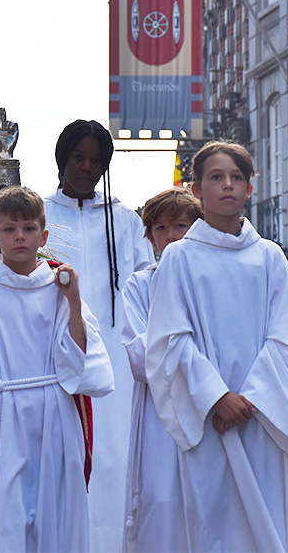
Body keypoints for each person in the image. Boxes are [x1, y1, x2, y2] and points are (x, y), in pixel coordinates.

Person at [145, 140, 288, 552]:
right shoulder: (179, 258)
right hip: (209, 417)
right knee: (214, 525)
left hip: (261, 418)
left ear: (249, 188)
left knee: (266, 523)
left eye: (237, 177)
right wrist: (217, 397)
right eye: (216, 177)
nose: (227, 185)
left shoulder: (269, 257)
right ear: (196, 189)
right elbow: (169, 338)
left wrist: (251, 399)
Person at [0, 185, 114, 551]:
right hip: (4, 419)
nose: (20, 237)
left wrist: (74, 302)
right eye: (10, 229)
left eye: (29, 228)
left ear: (43, 236)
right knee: (7, 515)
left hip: (54, 415)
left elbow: (80, 356)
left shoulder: (59, 287)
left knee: (55, 513)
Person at [43, 119, 153, 549]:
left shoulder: (126, 221)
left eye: (96, 160)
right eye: (78, 158)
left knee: (116, 459)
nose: (87, 168)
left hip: (117, 362)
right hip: (55, 356)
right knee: (63, 458)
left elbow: (147, 290)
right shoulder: (39, 217)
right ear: (62, 159)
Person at [121, 187, 203, 552]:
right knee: (160, 499)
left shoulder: (210, 278)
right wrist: (190, 358)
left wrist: (171, 352)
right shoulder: (140, 285)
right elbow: (140, 357)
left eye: (180, 225)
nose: (170, 235)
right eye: (160, 227)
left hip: (207, 405)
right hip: (159, 412)